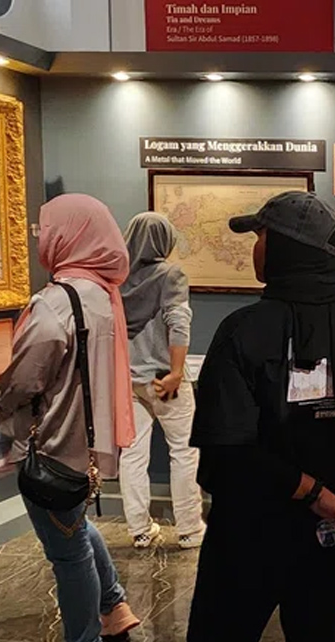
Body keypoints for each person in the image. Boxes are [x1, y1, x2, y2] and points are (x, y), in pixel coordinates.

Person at [186, 191, 335, 642]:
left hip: (252, 531)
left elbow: (228, 452)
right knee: (315, 639)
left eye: (262, 235)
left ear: (287, 248)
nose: (255, 247)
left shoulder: (243, 332)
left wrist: (308, 490)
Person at [0, 194, 140, 642]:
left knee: (67, 552)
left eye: (45, 227)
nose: (41, 235)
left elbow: (25, 378)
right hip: (87, 444)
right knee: (74, 526)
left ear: (68, 234)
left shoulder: (56, 302)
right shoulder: (102, 295)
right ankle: (114, 608)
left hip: (54, 442)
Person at [118, 213, 205, 550]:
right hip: (163, 380)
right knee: (184, 452)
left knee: (132, 454)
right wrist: (177, 372)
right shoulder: (171, 274)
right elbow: (178, 322)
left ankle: (139, 530)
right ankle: (189, 530)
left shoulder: (117, 277)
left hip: (129, 380)